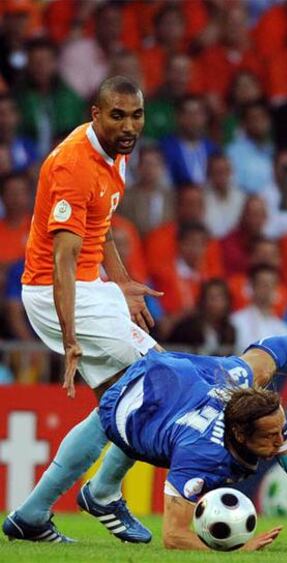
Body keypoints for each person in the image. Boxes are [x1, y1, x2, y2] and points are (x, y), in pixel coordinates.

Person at [2, 76, 163, 544]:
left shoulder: (117, 153)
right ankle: (104, 491)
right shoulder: (74, 166)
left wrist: (125, 282)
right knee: (153, 382)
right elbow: (63, 259)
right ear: (96, 114)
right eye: (117, 115)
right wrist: (70, 338)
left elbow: (103, 224)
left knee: (127, 398)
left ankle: (31, 516)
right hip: (57, 290)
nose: (129, 125)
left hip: (92, 285)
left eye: (136, 115)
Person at [89, 326, 287, 550]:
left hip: (196, 377)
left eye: (279, 432)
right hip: (128, 408)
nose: (279, 442)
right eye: (270, 436)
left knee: (255, 366)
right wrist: (243, 550)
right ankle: (86, 498)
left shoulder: (271, 421)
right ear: (239, 433)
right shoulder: (199, 455)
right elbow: (173, 537)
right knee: (114, 412)